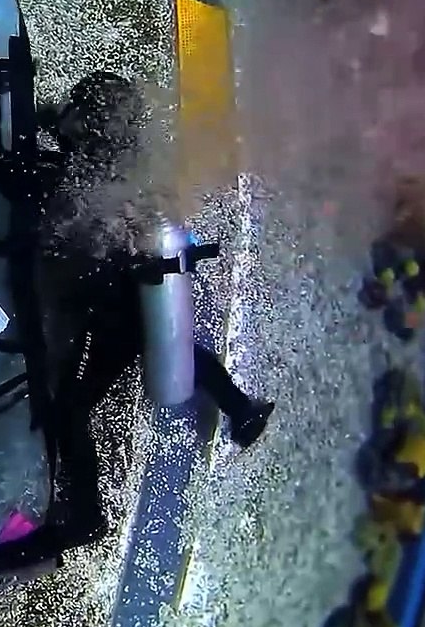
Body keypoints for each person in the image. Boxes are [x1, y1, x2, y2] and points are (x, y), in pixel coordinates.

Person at [46, 71, 276, 449]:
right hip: (131, 288)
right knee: (175, 350)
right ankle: (239, 409)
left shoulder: (109, 167)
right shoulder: (130, 158)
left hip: (122, 301)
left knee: (89, 388)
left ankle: (64, 434)